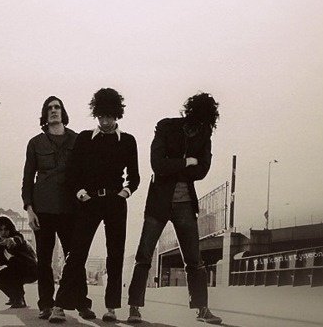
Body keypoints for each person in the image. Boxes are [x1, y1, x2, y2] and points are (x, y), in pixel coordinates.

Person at [127, 92, 222, 325]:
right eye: (198, 121)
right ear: (190, 114)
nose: (200, 127)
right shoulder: (166, 127)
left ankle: (202, 309)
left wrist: (174, 165)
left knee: (194, 260)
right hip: (159, 202)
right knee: (144, 256)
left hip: (185, 203)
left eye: (205, 123)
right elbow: (157, 165)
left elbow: (202, 171)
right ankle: (134, 308)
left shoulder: (204, 134)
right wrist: (186, 162)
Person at [49, 88, 140, 323]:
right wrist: (81, 193)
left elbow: (135, 177)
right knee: (77, 253)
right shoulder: (84, 138)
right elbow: (72, 173)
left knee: (115, 255)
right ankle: (59, 305)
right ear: (96, 114)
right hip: (89, 202)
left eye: (109, 117)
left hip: (115, 202)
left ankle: (111, 308)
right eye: (101, 116)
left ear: (117, 114)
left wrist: (124, 193)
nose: (105, 122)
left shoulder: (128, 141)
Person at [22, 97, 93, 319]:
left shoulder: (77, 139)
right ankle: (46, 304)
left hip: (71, 208)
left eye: (57, 107)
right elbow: (27, 177)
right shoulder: (35, 143)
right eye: (49, 108)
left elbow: (85, 172)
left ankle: (82, 302)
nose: (53, 111)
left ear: (63, 112)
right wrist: (29, 209)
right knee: (44, 259)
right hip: (42, 208)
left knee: (75, 257)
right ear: (45, 114)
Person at [0, 215, 37, 308]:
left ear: (11, 230)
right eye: (0, 230)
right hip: (16, 269)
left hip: (31, 270)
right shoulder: (0, 241)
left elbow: (18, 239)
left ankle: (19, 299)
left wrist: (12, 240)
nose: (3, 232)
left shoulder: (17, 237)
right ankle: (14, 296)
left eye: (6, 229)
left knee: (14, 263)